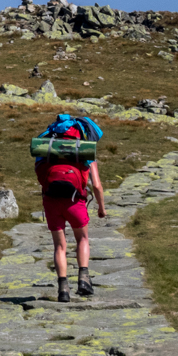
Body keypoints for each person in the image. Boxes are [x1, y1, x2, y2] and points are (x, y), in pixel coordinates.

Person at [34, 116, 106, 302]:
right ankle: (83, 279)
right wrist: (101, 208)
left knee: (59, 246)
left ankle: (63, 290)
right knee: (82, 238)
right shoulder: (84, 151)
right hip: (75, 201)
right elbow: (96, 185)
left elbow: (39, 172)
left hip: (51, 200)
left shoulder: (47, 149)